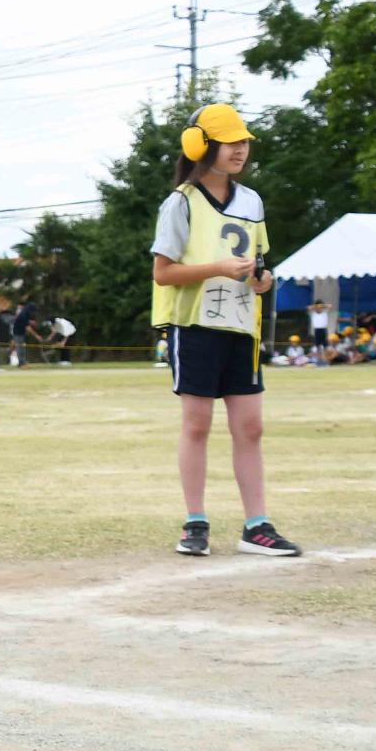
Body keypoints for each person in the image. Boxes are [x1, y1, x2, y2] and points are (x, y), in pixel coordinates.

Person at [152, 103, 297, 557]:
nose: (240, 149)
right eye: (230, 141)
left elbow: (262, 265)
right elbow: (163, 273)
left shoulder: (252, 201)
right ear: (201, 146)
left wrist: (263, 280)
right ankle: (195, 521)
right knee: (197, 424)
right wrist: (216, 267)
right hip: (195, 325)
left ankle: (257, 525)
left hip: (241, 327)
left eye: (243, 141)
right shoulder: (181, 202)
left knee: (250, 427)